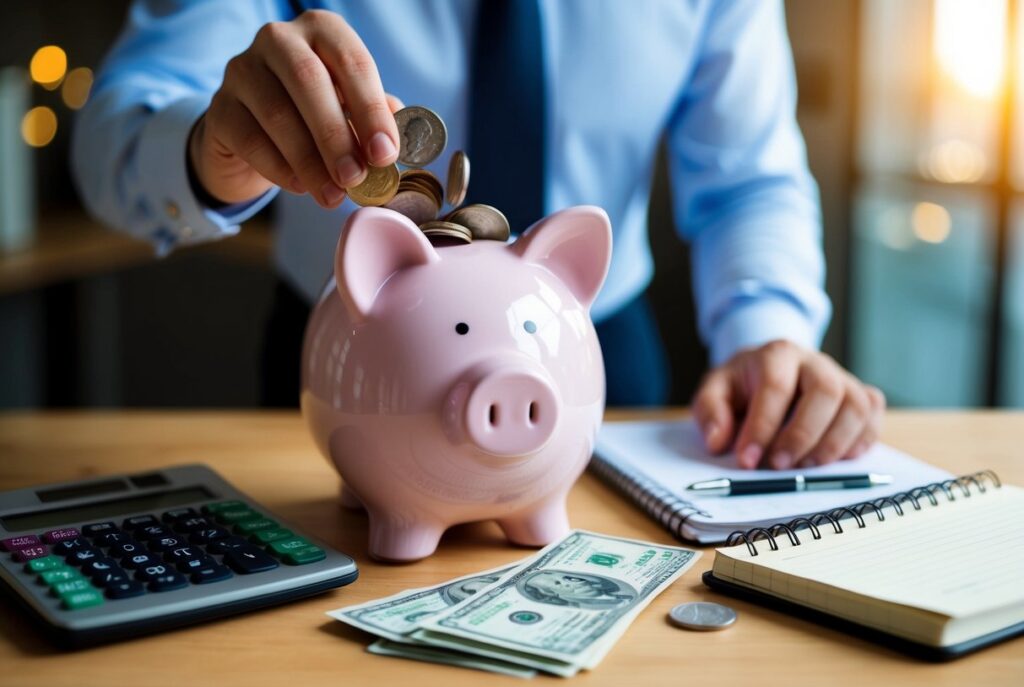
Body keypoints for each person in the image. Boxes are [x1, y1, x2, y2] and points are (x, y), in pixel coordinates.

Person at [72, 0, 885, 471]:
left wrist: (768, 332)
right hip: (349, 367)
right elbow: (115, 133)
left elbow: (748, 176)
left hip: (595, 356)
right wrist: (210, 151)